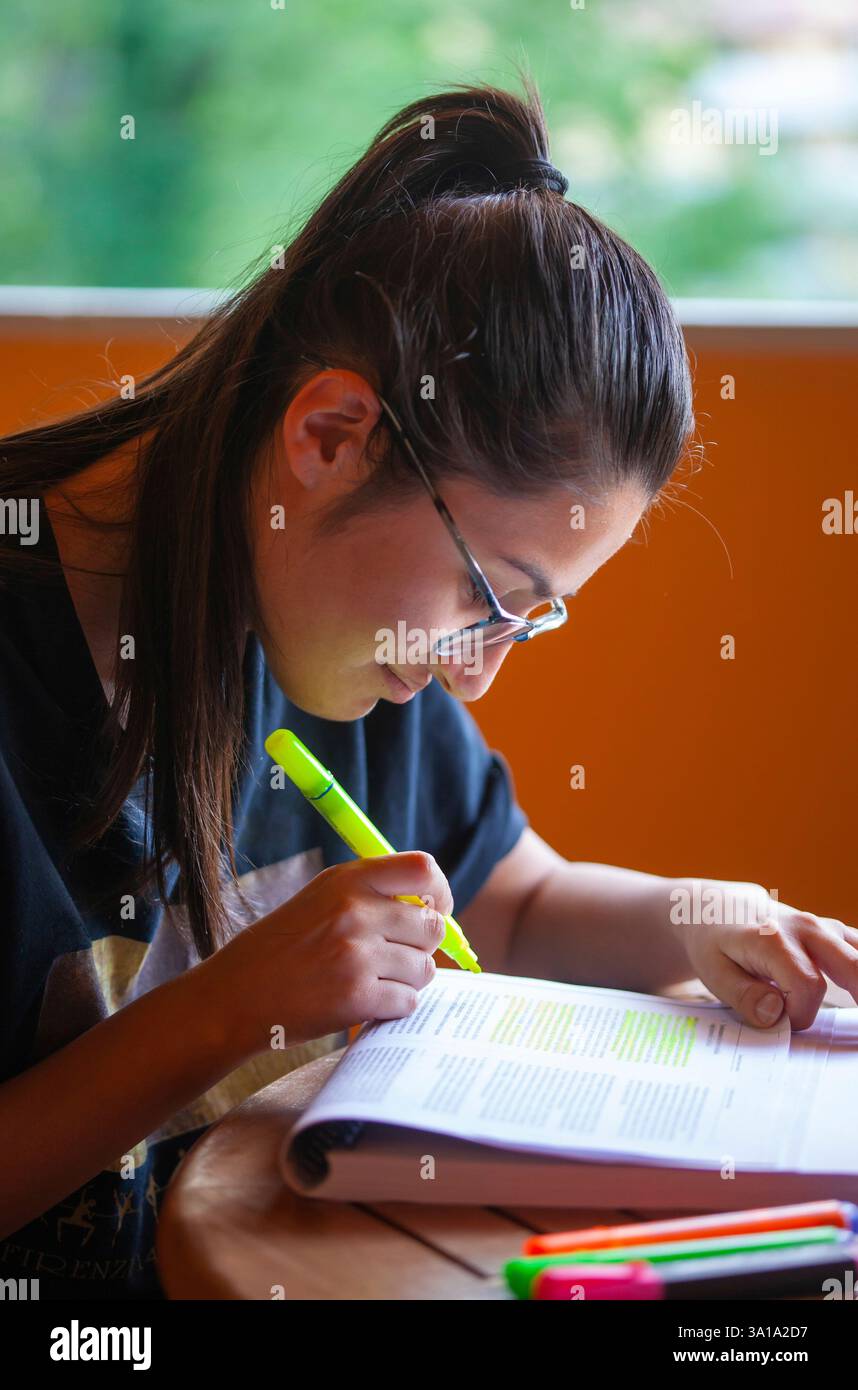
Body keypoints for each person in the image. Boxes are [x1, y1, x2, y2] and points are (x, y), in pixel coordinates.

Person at [1, 78, 854, 1301]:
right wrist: (221, 1012)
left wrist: (704, 910)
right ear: (333, 437)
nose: (481, 666)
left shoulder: (317, 618)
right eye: (486, 595)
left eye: (533, 617)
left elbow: (514, 899)